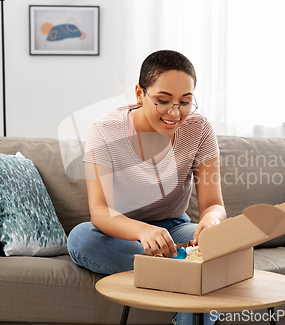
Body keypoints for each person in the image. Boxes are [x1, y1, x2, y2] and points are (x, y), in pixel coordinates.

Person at [67, 50, 226, 325]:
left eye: (185, 102)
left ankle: (179, 271)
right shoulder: (105, 130)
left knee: (222, 246)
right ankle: (184, 270)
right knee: (81, 239)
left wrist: (212, 221)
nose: (175, 113)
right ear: (140, 93)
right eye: (163, 101)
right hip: (122, 232)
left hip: (175, 230)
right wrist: (143, 231)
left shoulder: (199, 130)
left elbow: (213, 205)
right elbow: (100, 211)